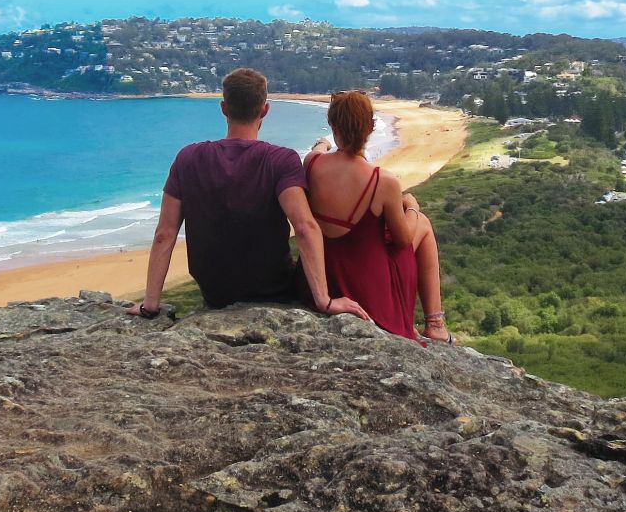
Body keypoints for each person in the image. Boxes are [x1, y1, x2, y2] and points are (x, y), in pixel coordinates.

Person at [127, 68, 369, 321]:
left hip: (215, 293)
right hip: (273, 290)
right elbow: (305, 227)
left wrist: (150, 304)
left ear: (223, 108)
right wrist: (324, 300)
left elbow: (164, 234)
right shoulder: (281, 160)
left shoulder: (188, 158)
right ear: (264, 109)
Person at [304, 90, 454, 344]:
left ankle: (435, 324)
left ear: (332, 124)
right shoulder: (381, 181)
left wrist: (322, 144)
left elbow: (318, 150)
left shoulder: (311, 163)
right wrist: (412, 208)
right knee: (423, 225)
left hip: (323, 278)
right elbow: (403, 240)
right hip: (366, 286)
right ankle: (435, 324)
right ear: (371, 127)